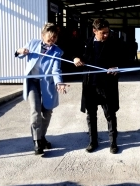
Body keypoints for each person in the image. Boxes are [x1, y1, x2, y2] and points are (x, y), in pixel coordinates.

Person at [15, 23, 68, 155]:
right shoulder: (33, 43)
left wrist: (59, 83)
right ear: (42, 36)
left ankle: (42, 136)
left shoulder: (57, 51)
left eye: (54, 39)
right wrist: (19, 51)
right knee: (35, 111)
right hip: (33, 82)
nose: (52, 42)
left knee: (47, 112)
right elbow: (20, 53)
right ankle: (37, 142)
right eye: (49, 39)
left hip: (47, 84)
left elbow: (56, 70)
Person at [73, 18, 122, 154]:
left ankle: (113, 143)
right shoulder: (85, 43)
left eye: (107, 32)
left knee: (110, 115)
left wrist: (117, 67)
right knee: (91, 115)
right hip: (90, 86)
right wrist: (76, 58)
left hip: (107, 86)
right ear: (94, 31)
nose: (106, 35)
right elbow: (75, 54)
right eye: (103, 33)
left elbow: (124, 59)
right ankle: (93, 142)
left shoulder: (114, 43)